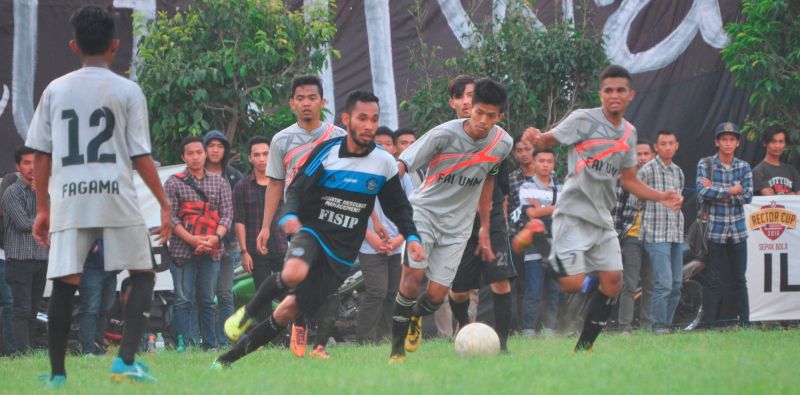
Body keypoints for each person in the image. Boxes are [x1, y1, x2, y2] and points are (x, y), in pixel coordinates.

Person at [216, 90, 423, 367]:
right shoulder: (327, 151)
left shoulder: (383, 162)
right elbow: (298, 190)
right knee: (293, 272)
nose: (369, 126)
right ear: (347, 119)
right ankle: (246, 313)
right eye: (362, 118)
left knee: (288, 309)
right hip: (313, 230)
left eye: (374, 119)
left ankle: (226, 360)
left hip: (342, 251)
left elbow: (398, 206)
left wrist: (411, 236)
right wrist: (289, 215)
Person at [25, 5, 171, 386]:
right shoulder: (127, 90)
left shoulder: (55, 89)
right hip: (116, 195)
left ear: (74, 46)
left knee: (64, 281)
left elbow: (41, 153)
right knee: (142, 274)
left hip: (71, 197)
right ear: (115, 46)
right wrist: (165, 202)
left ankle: (57, 375)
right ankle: (125, 361)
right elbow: (140, 155)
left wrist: (43, 207)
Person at [523, 65, 682, 352]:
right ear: (601, 94)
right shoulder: (583, 119)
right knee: (571, 284)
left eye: (620, 90)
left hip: (602, 217)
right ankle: (539, 238)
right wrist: (536, 136)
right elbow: (548, 140)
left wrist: (661, 196)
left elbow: (629, 180)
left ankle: (583, 349)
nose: (614, 95)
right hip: (572, 211)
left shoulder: (630, 133)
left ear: (630, 95)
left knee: (614, 282)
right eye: (608, 90)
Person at [389, 78, 513, 362]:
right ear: (471, 107)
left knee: (436, 295)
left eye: (490, 116)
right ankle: (396, 352)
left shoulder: (503, 144)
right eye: (478, 112)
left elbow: (488, 181)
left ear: (499, 117)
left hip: (459, 226)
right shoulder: (444, 134)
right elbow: (403, 164)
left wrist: (483, 226)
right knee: (412, 279)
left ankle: (416, 317)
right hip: (424, 213)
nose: (482, 120)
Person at [253, 75, 347, 358]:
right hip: (299, 221)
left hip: (334, 220)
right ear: (292, 103)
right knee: (298, 277)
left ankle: (320, 345)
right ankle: (299, 325)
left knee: (332, 282)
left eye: (312, 98)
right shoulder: (281, 139)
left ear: (323, 102)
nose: (307, 104)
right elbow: (274, 184)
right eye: (301, 99)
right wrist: (266, 227)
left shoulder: (338, 137)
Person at [446, 75, 517, 351]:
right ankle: (463, 326)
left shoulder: (500, 142)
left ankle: (504, 347)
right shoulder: (446, 136)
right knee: (460, 290)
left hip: (492, 218)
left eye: (471, 95)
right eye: (462, 96)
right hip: (459, 220)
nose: (467, 101)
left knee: (501, 282)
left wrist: (495, 222)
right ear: (455, 103)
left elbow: (501, 186)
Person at [164, 136, 233, 351]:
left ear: (205, 155)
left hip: (212, 250)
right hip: (182, 251)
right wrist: (192, 240)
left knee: (207, 299)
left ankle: (210, 345)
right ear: (183, 157)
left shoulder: (219, 182)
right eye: (190, 153)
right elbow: (171, 218)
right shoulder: (173, 182)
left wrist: (216, 237)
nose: (195, 157)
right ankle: (184, 344)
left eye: (199, 152)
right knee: (183, 300)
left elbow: (227, 214)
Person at [356, 127, 412, 343]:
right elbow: (355, 208)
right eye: (379, 143)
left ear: (395, 148)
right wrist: (371, 237)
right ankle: (365, 339)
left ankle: (386, 338)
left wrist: (399, 239)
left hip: (396, 245)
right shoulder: (362, 173)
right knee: (376, 292)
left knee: (391, 294)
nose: (384, 148)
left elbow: (412, 209)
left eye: (388, 143)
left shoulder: (402, 176)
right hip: (369, 245)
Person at [697, 122, 753, 327]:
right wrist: (731, 191)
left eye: (732, 139)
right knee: (712, 280)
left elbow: (747, 196)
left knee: (739, 278)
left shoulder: (744, 166)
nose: (728, 143)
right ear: (717, 142)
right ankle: (710, 324)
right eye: (724, 139)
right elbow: (703, 192)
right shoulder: (706, 164)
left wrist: (718, 191)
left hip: (738, 231)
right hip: (714, 230)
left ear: (737, 143)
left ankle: (745, 323)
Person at [233, 136, 287, 324]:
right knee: (263, 295)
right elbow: (239, 221)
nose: (262, 159)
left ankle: (295, 334)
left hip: (281, 244)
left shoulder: (282, 182)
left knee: (288, 292)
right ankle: (268, 339)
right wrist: (244, 251)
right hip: (256, 250)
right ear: (250, 158)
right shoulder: (242, 187)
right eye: (257, 155)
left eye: (266, 154)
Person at [637, 130, 685, 334]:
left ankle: (666, 324)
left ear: (677, 146)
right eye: (663, 144)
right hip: (655, 234)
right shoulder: (646, 171)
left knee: (676, 284)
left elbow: (679, 199)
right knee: (663, 283)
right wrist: (657, 199)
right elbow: (634, 200)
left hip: (675, 231)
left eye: (670, 143)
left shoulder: (678, 172)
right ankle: (657, 326)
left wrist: (679, 202)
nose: (667, 147)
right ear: (656, 147)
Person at [1, 146, 48, 354]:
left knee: (33, 309)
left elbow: (51, 216)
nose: (31, 167)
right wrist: (44, 220)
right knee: (20, 308)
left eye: (34, 163)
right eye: (26, 163)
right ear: (18, 166)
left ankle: (30, 349)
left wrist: (41, 199)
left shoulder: (43, 191)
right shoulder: (11, 192)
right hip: (19, 259)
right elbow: (22, 222)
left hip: (40, 257)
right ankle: (21, 351)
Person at [203, 129, 244, 347]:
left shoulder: (234, 175)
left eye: (220, 146)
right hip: (202, 244)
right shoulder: (194, 175)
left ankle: (227, 338)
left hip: (228, 244)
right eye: (211, 146)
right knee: (205, 297)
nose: (215, 150)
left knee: (226, 294)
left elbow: (240, 209)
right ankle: (207, 341)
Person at [516, 149, 560, 338]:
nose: (545, 164)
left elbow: (567, 211)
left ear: (554, 164)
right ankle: (528, 330)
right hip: (535, 245)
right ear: (534, 163)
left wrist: (541, 208)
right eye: (541, 161)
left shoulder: (562, 187)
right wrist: (554, 207)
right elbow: (531, 215)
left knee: (554, 289)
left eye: (549, 161)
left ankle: (549, 329)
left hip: (557, 244)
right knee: (533, 288)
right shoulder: (526, 187)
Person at [613, 140, 655, 335]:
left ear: (653, 155)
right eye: (639, 154)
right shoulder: (625, 178)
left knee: (651, 284)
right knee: (629, 284)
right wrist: (617, 240)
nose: (643, 158)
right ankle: (625, 328)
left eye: (646, 153)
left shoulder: (659, 177)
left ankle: (647, 326)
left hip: (656, 237)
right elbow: (616, 211)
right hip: (631, 236)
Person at [78, 240, 118, 355]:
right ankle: (88, 350)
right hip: (90, 267)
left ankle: (99, 347)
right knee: (90, 309)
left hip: (111, 268)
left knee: (105, 309)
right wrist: (91, 245)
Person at [752, 126, 799, 195]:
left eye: (781, 141)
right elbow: (770, 198)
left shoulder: (792, 170)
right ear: (765, 143)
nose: (777, 145)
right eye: (773, 141)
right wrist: (790, 195)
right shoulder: (758, 171)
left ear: (785, 144)